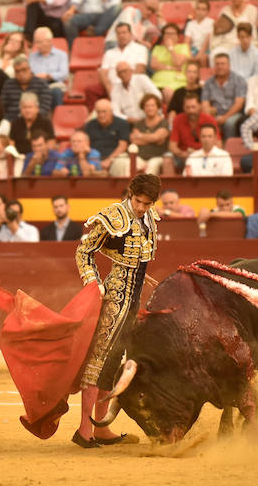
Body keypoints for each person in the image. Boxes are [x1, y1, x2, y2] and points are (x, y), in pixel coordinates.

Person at [71, 173, 161, 448]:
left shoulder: (148, 217)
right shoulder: (113, 215)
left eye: (147, 203)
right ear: (130, 192)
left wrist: (140, 274)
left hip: (133, 299)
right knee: (98, 360)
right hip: (113, 297)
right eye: (138, 200)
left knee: (113, 362)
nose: (142, 207)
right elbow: (83, 251)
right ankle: (84, 430)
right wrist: (93, 282)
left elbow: (132, 254)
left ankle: (101, 429)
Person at [163, 91, 219, 175]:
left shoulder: (209, 120)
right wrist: (182, 154)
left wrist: (202, 154)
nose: (191, 110)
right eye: (188, 107)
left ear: (199, 106)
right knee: (167, 158)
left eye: (193, 107)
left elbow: (218, 144)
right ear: (183, 108)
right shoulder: (178, 120)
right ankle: (170, 188)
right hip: (183, 156)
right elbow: (172, 146)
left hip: (205, 155)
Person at [200, 53, 247, 139]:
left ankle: (229, 149)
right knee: (205, 121)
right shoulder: (208, 83)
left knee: (229, 123)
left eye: (223, 64)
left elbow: (239, 104)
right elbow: (205, 102)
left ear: (229, 65)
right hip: (214, 114)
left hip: (233, 114)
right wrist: (209, 115)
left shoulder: (239, 80)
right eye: (217, 64)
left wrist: (225, 117)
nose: (220, 67)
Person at [99, 22, 149, 100]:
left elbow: (140, 69)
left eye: (124, 33)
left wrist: (127, 85)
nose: (121, 36)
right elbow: (103, 73)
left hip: (131, 84)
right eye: (118, 33)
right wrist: (110, 89)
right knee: (91, 90)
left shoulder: (140, 49)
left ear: (130, 34)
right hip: (111, 86)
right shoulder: (109, 53)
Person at [83, 99, 130, 176]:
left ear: (111, 111)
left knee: (121, 164)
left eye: (104, 111)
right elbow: (85, 144)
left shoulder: (122, 124)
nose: (101, 115)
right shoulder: (90, 125)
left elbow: (123, 146)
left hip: (115, 158)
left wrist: (109, 160)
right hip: (94, 158)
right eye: (98, 112)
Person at [150, 23, 192, 98]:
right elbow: (154, 65)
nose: (169, 36)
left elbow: (178, 63)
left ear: (178, 36)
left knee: (168, 91)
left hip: (177, 81)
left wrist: (171, 48)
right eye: (167, 34)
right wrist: (172, 68)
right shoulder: (158, 48)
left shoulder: (184, 47)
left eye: (172, 34)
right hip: (157, 81)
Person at [131, 94, 169, 175]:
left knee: (152, 165)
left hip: (158, 157)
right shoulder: (138, 124)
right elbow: (134, 140)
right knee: (130, 164)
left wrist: (140, 136)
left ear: (157, 107)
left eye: (152, 105)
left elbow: (157, 137)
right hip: (140, 157)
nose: (150, 108)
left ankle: (148, 187)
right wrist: (154, 139)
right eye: (147, 106)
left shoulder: (164, 122)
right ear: (143, 108)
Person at [29, 27, 69, 91]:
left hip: (54, 85)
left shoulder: (61, 55)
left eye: (39, 42)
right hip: (36, 86)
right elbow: (29, 74)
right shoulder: (32, 56)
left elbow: (64, 74)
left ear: (49, 41)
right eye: (36, 42)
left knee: (57, 91)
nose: (37, 45)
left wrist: (48, 76)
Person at [185, 0, 214, 64]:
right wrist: (190, 55)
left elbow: (206, 43)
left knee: (202, 58)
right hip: (194, 49)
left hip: (206, 50)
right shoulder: (190, 24)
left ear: (207, 11)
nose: (200, 11)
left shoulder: (211, 22)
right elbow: (187, 42)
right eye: (198, 8)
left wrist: (198, 56)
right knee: (185, 57)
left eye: (203, 9)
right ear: (195, 10)